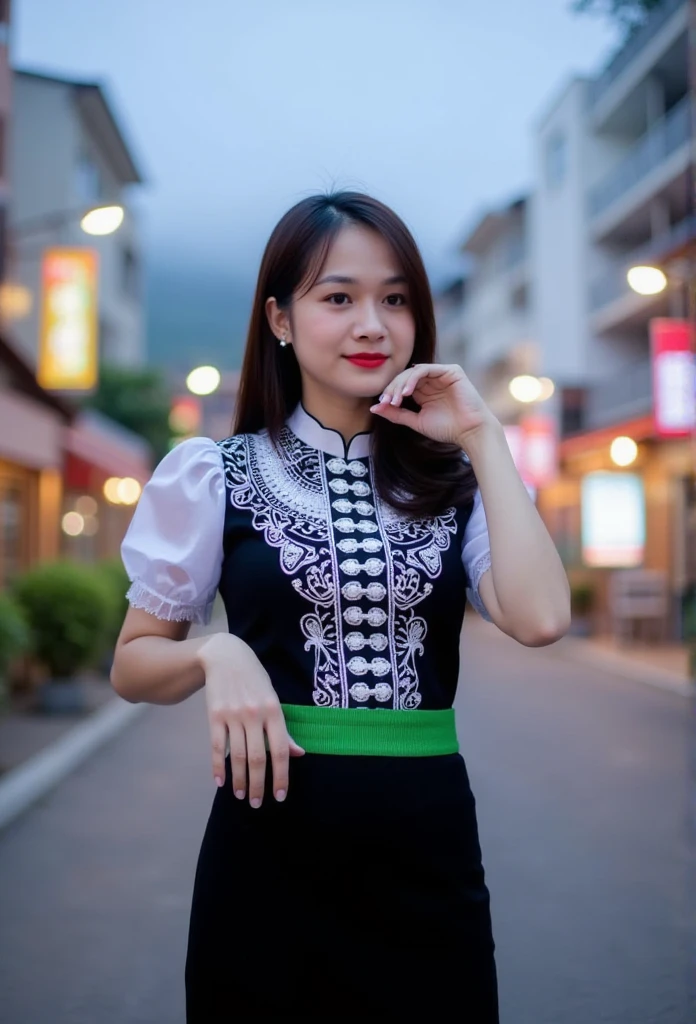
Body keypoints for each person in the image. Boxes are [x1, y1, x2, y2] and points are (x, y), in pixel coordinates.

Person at [111, 191, 570, 1021]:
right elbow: (134, 664)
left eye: (395, 299)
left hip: (430, 857)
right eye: (339, 297)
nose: (373, 324)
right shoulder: (215, 472)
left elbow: (539, 620)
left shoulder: (456, 484)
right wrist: (216, 651)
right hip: (266, 853)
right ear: (280, 319)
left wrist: (481, 438)